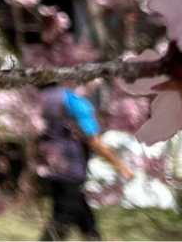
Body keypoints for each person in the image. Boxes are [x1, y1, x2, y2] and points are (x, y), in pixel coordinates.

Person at [39, 86, 129, 240]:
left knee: (84, 216)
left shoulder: (42, 97)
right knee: (64, 214)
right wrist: (121, 166)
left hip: (48, 163)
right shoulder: (74, 101)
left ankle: (92, 237)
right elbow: (93, 140)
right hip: (71, 167)